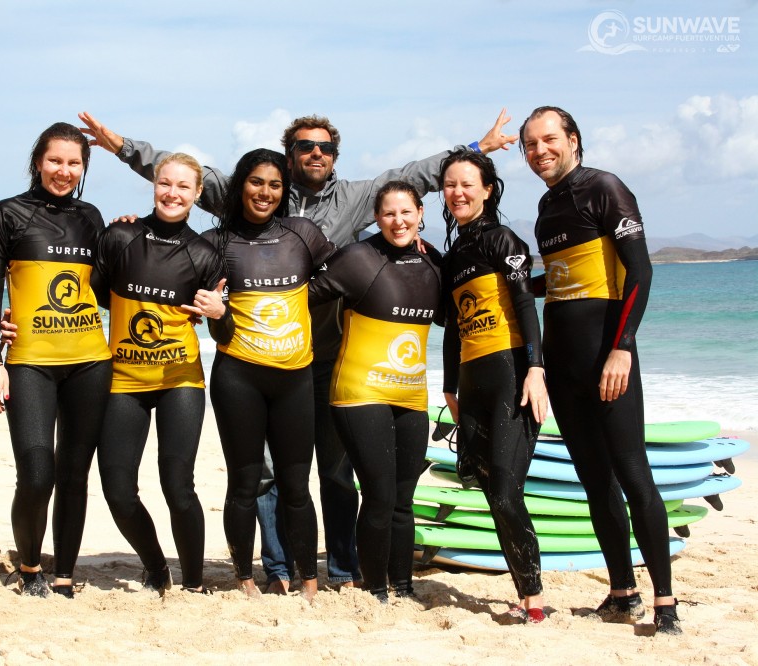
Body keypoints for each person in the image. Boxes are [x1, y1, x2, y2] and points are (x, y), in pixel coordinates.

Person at [78, 108, 517, 592]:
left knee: (333, 471)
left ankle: (344, 569)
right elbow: (182, 178)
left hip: (330, 356)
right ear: (289, 156)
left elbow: (409, 183)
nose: (315, 154)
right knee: (265, 475)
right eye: (305, 146)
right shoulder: (263, 188)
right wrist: (121, 151)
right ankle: (279, 568)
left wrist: (476, 151)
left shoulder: (355, 198)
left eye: (325, 148)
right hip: (254, 360)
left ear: (334, 156)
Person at [519, 106, 678, 635]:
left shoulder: (604, 187)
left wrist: (623, 347)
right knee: (594, 481)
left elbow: (640, 269)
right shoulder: (545, 207)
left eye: (548, 140)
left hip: (607, 360)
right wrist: (511, 288)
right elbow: (562, 281)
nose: (539, 151)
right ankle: (621, 590)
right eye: (530, 145)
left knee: (634, 476)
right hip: (563, 363)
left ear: (573, 139)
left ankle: (666, 602)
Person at [0, 122, 111, 599]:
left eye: (74, 162)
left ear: (84, 168)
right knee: (36, 472)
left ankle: (64, 574)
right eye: (55, 160)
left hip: (91, 361)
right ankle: (30, 566)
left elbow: (107, 291)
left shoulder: (92, 218)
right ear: (38, 161)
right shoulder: (8, 214)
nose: (64, 170)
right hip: (30, 362)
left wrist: (132, 239)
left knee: (75, 474)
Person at [202, 148, 336, 601]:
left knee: (298, 487)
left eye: (275, 185)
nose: (265, 192)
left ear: (285, 191)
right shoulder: (216, 242)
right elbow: (212, 319)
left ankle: (309, 581)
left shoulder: (301, 234)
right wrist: (129, 227)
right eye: (257, 182)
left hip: (295, 377)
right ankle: (244, 577)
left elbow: (344, 274)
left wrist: (412, 248)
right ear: (241, 184)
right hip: (239, 377)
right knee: (244, 484)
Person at [94, 153, 228, 595]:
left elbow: (219, 326)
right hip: (123, 381)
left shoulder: (206, 253)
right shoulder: (120, 235)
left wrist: (219, 313)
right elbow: (88, 296)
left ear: (197, 194)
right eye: (165, 183)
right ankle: (155, 567)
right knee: (117, 488)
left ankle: (192, 583)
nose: (172, 193)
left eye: (183, 187)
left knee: (177, 485)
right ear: (154, 184)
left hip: (180, 381)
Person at [307, 181, 442, 604]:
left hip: (412, 395)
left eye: (406, 212)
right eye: (388, 214)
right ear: (376, 218)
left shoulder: (434, 263)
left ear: (420, 213)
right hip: (359, 392)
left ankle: (403, 586)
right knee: (380, 494)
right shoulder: (357, 259)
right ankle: (376, 588)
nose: (397, 221)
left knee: (404, 499)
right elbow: (297, 298)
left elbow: (462, 313)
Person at [439, 149, 547, 623]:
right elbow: (451, 327)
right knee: (490, 491)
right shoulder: (453, 255)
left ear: (487, 189)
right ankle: (524, 592)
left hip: (510, 374)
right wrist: (448, 388)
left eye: (467, 184)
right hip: (470, 381)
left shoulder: (503, 240)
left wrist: (536, 369)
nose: (457, 192)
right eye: (450, 185)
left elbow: (526, 307)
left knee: (505, 489)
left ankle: (535, 599)